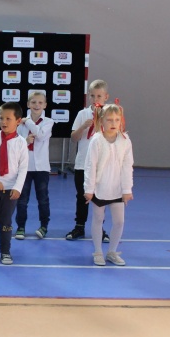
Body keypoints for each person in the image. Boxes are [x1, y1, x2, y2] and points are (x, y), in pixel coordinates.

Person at [84, 102, 134, 266]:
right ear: (101, 121)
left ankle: (112, 251)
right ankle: (98, 251)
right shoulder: (96, 140)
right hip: (99, 188)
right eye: (109, 120)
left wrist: (127, 189)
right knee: (98, 219)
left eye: (116, 120)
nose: (113, 123)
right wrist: (89, 189)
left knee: (119, 221)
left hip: (117, 189)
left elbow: (127, 166)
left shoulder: (125, 141)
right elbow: (90, 166)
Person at [0, 102, 28, 265]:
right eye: (1, 118)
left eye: (8, 118)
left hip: (10, 189)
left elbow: (23, 167)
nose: (4, 122)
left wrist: (17, 188)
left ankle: (5, 251)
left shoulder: (21, 142)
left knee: (6, 221)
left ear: (18, 121)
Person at [66, 79, 110, 243]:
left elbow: (113, 138)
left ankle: (99, 228)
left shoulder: (110, 114)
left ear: (106, 97)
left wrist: (101, 126)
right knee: (82, 196)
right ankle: (79, 226)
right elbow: (73, 138)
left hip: (102, 164)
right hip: (83, 163)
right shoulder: (82, 114)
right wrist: (83, 126)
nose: (95, 99)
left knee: (100, 197)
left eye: (99, 96)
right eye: (92, 96)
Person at [15, 91, 54, 240]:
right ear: (28, 104)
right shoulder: (20, 123)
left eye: (40, 102)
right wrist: (25, 141)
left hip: (42, 168)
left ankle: (44, 226)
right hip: (24, 167)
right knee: (22, 199)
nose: (37, 105)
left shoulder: (48, 122)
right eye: (33, 102)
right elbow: (16, 144)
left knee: (43, 198)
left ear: (45, 105)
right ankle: (20, 227)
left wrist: (28, 122)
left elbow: (41, 135)